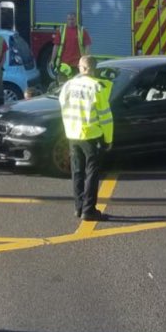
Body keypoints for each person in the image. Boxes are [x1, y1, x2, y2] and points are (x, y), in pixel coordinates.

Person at [58, 56, 113, 222]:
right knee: (92, 173)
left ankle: (79, 207)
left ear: (81, 68)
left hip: (72, 134)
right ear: (94, 69)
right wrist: (108, 139)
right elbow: (105, 117)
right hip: (90, 135)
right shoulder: (97, 87)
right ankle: (89, 210)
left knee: (77, 171)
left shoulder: (68, 85)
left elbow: (62, 104)